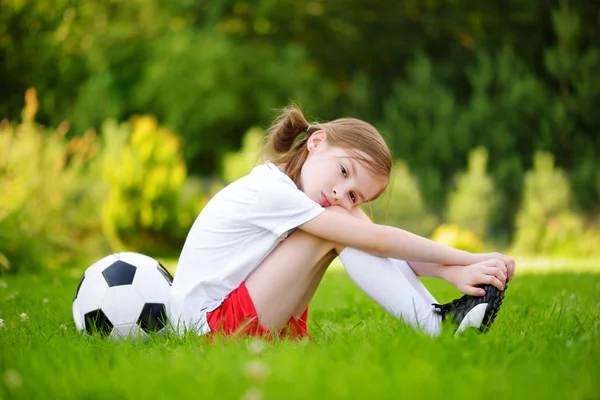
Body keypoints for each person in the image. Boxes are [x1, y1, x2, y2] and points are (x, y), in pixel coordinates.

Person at [169, 106, 515, 340]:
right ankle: (435, 325)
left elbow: (370, 238)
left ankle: (439, 315)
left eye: (354, 195)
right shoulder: (272, 190)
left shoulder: (310, 199)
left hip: (240, 315)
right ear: (317, 143)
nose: (340, 193)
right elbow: (377, 241)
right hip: (211, 328)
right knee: (342, 227)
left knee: (347, 226)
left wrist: (450, 272)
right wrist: (468, 259)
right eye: (344, 172)